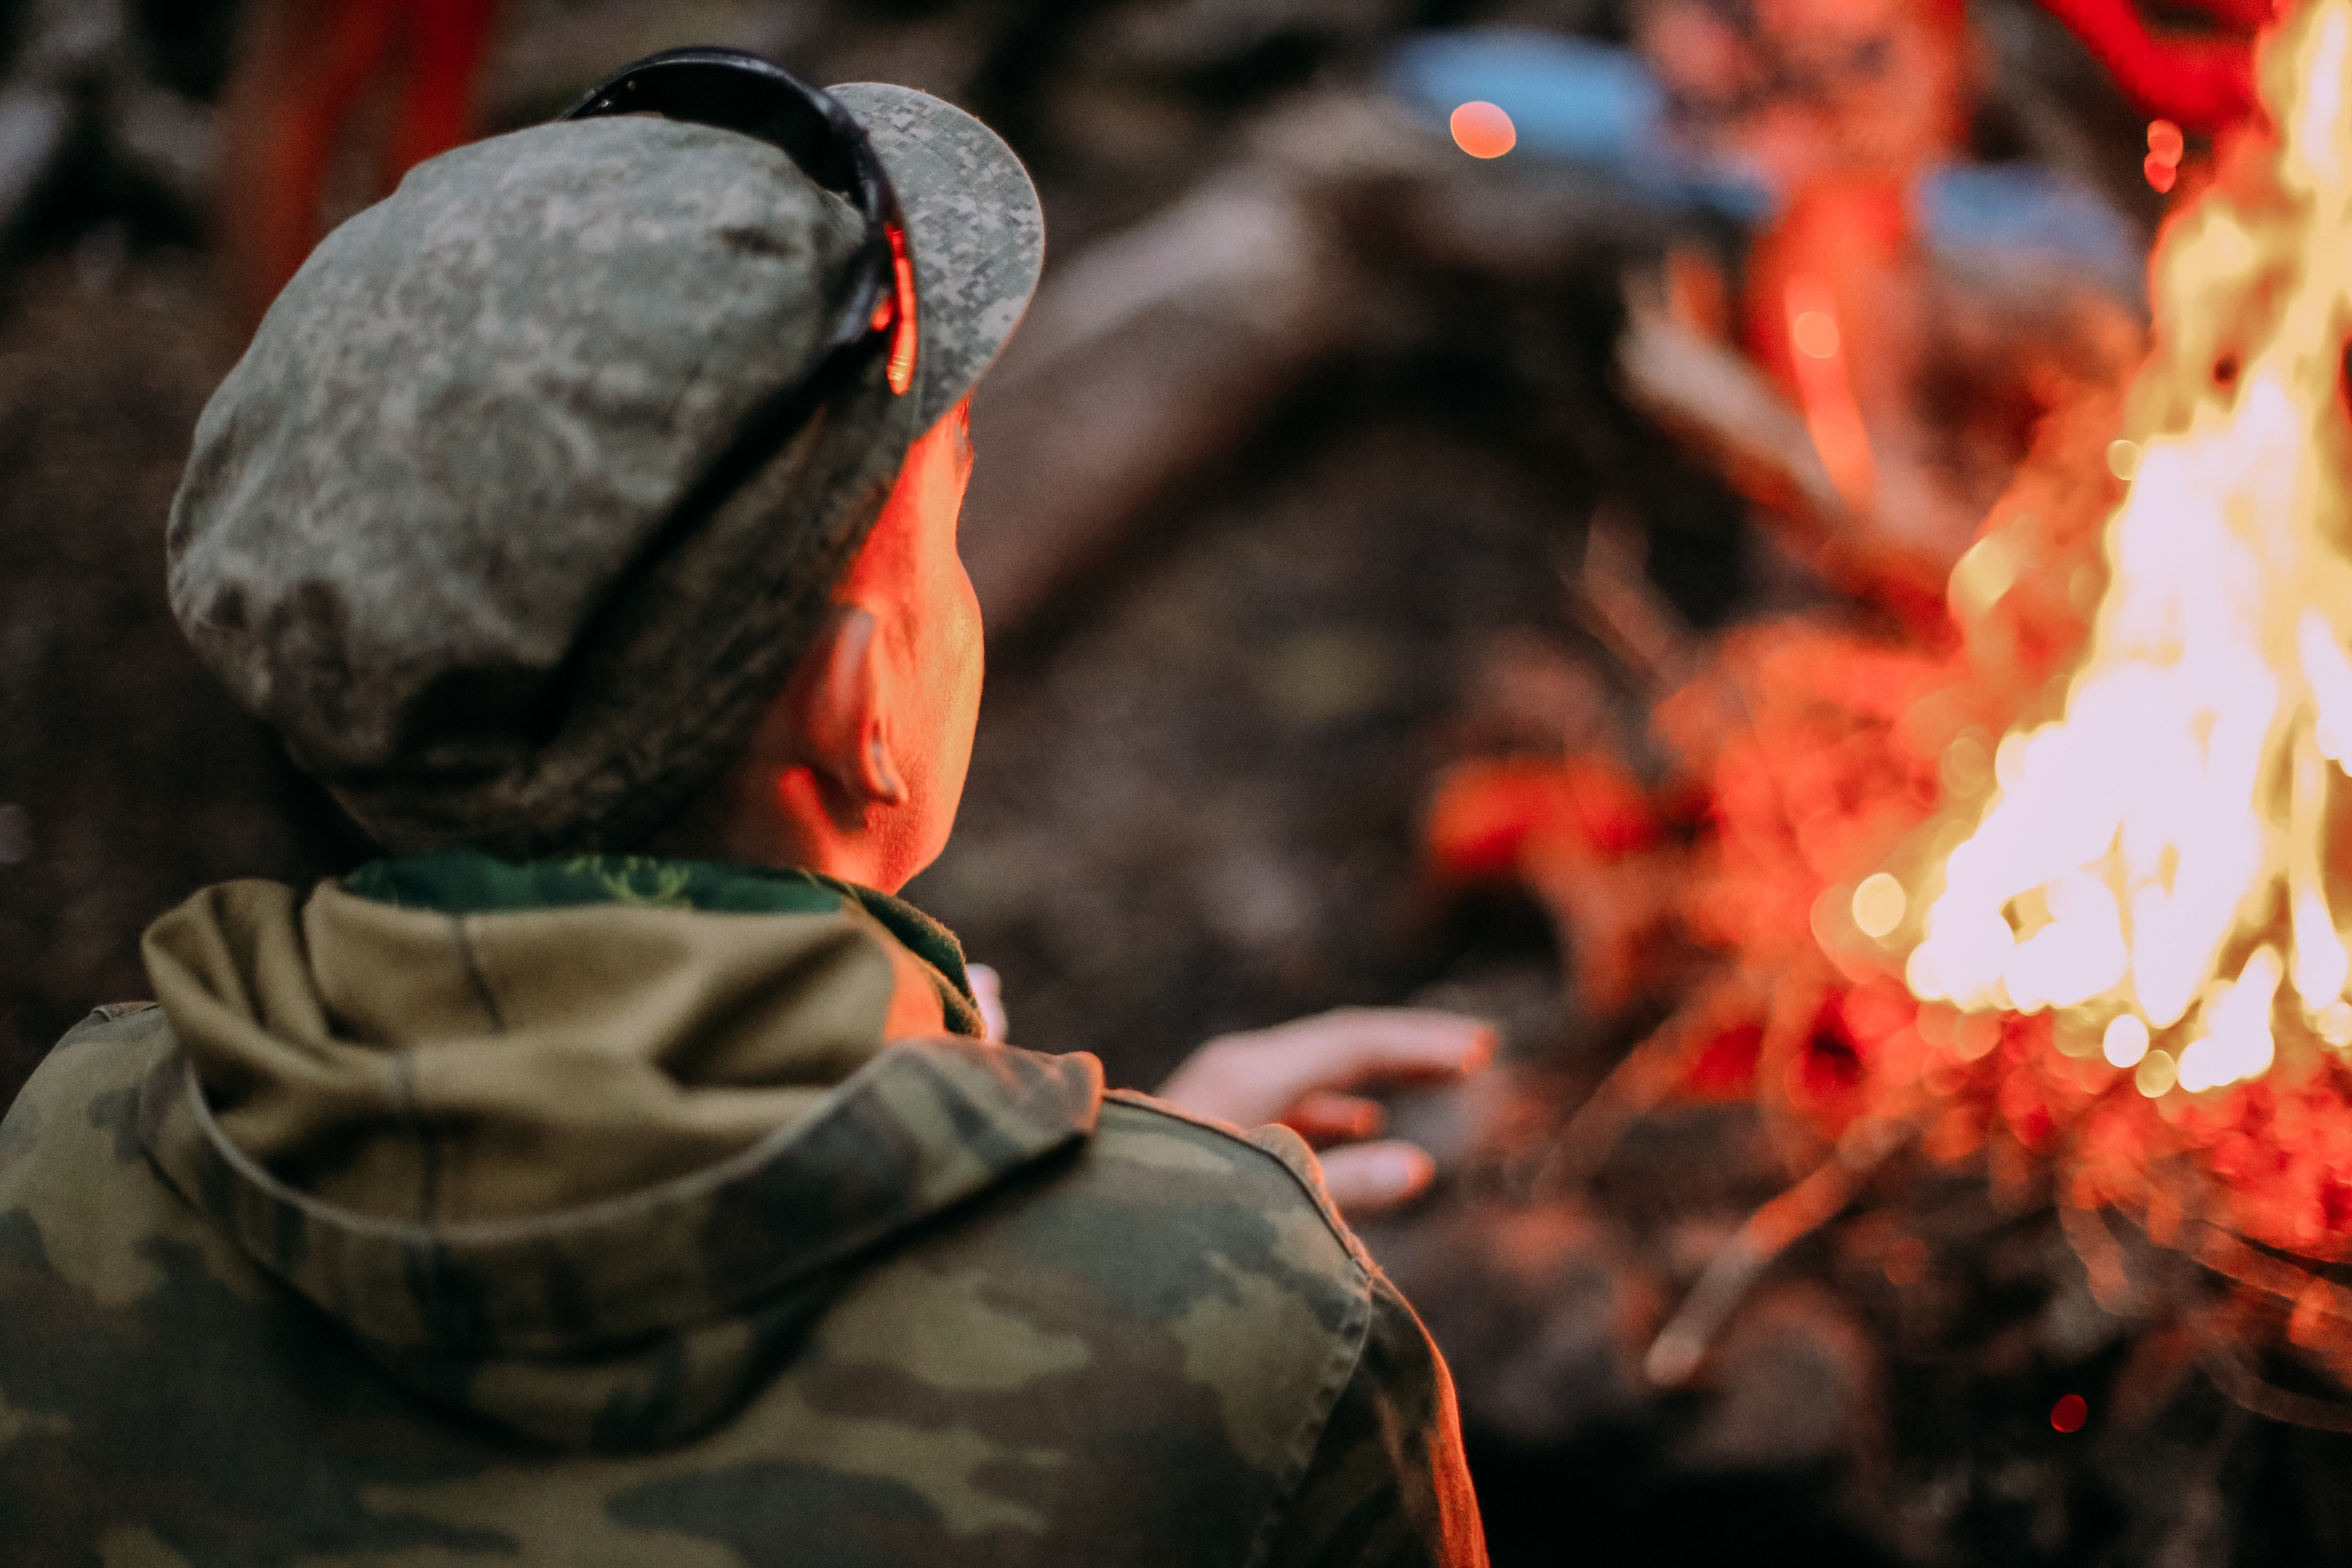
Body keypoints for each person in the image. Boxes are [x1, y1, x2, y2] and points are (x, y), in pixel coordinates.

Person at [0, 50, 1490, 1565]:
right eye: (953, 522)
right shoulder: (1269, 1365)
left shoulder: (62, 1165)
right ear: (858, 710)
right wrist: (1180, 1252)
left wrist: (1090, 1193)